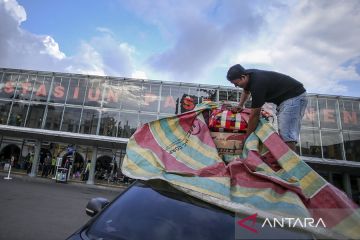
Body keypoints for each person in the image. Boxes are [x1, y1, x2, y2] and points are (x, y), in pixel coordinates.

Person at [226, 64, 308, 151]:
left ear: (243, 77)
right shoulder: (248, 75)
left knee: (286, 135)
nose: (236, 86)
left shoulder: (257, 84)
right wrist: (240, 105)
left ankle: (291, 163)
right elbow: (246, 91)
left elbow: (254, 115)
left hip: (294, 97)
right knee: (285, 133)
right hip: (288, 99)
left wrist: (247, 139)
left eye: (236, 83)